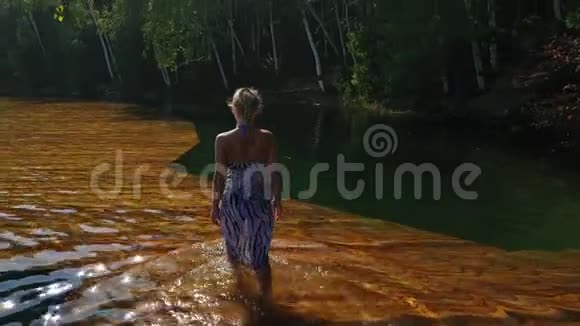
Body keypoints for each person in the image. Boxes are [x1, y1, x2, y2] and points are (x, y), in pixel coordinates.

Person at [210, 87, 282, 300]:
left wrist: (214, 205)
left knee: (234, 254)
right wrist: (278, 200)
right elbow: (275, 174)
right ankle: (265, 300)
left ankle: (242, 294)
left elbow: (220, 176)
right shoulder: (266, 138)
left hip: (233, 202)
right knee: (260, 257)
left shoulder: (222, 140)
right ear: (256, 109)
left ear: (234, 108)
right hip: (259, 202)